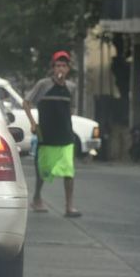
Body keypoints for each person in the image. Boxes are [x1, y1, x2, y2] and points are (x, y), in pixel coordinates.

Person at [23, 50, 81, 218]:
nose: (60, 68)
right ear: (53, 68)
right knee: (43, 170)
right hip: (46, 135)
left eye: (64, 65)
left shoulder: (71, 87)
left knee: (69, 171)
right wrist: (33, 123)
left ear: (68, 69)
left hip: (65, 136)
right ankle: (37, 198)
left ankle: (69, 206)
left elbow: (71, 109)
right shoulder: (43, 85)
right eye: (57, 65)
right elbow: (26, 102)